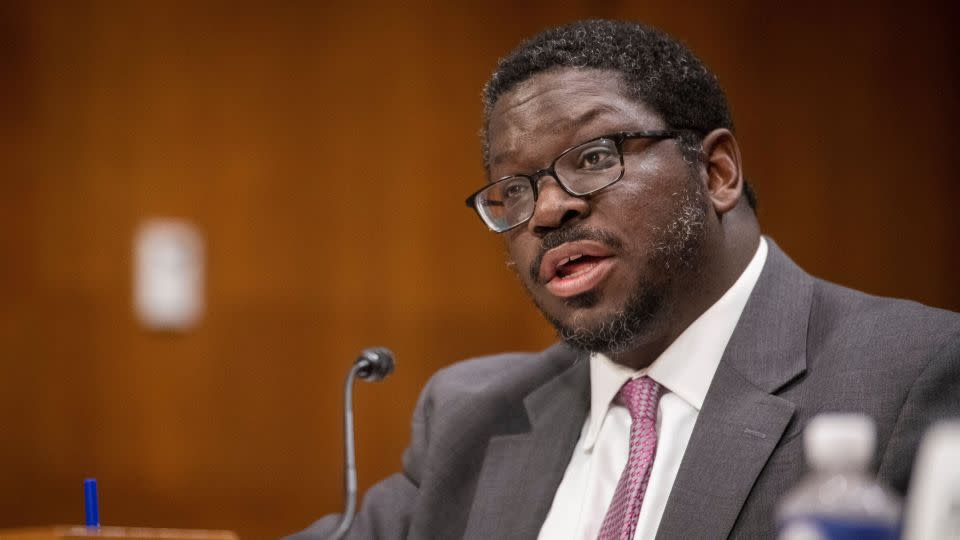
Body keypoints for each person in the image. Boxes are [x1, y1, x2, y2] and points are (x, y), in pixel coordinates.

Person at [287, 19, 960, 539]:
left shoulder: (910, 373)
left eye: (595, 156)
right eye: (512, 190)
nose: (548, 210)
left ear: (717, 172)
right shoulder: (471, 413)